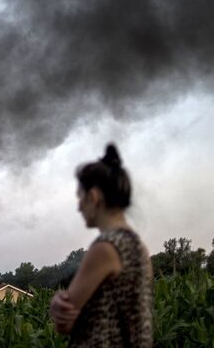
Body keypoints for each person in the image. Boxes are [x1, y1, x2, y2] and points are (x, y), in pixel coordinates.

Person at [49, 143, 153, 347]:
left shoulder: (105, 248)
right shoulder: (139, 247)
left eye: (80, 198)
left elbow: (63, 324)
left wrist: (55, 304)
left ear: (94, 197)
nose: (78, 207)